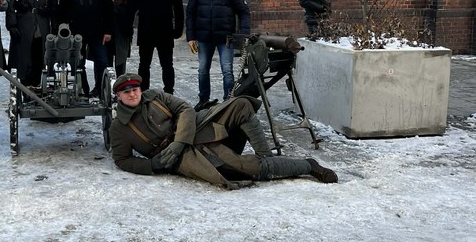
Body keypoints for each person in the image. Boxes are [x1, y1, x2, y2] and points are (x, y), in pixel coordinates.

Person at [108, 73, 338, 189]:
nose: (133, 94)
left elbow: (185, 109)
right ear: (118, 96)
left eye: (135, 89)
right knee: (242, 168)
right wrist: (153, 165)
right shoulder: (119, 127)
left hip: (193, 128)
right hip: (179, 156)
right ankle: (308, 165)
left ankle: (267, 156)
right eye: (126, 92)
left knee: (240, 104)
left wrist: (180, 139)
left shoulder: (155, 95)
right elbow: (122, 159)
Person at [186, 0, 250, 109]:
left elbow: (244, 13)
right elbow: (190, 15)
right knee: (202, 69)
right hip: (203, 38)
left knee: (227, 70)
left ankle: (228, 101)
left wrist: (244, 34)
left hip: (225, 38)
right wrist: (191, 37)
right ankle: (203, 99)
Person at [126, 0, 184, 94]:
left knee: (167, 65)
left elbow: (179, 9)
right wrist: (128, 28)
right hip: (146, 32)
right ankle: (144, 92)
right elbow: (130, 9)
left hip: (165, 32)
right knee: (144, 65)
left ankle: (169, 92)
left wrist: (178, 30)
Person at [57, 0, 114, 96]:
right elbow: (61, 13)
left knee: (102, 61)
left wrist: (108, 31)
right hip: (76, 34)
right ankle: (83, 89)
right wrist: (63, 31)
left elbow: (109, 10)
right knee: (78, 63)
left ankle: (100, 89)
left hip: (98, 32)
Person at [6, 0, 58, 86]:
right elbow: (10, 5)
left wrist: (54, 27)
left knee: (39, 59)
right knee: (23, 60)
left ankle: (35, 88)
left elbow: (54, 7)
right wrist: (11, 25)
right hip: (24, 24)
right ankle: (24, 90)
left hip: (42, 25)